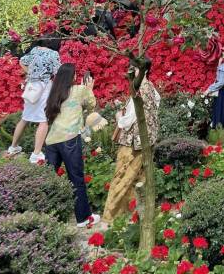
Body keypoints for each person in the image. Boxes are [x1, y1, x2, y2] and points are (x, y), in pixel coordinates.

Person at [102, 59, 161, 223]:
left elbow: (130, 119)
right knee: (139, 178)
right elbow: (156, 104)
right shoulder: (151, 88)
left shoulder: (139, 89)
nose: (131, 72)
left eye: (134, 69)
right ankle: (133, 213)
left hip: (132, 142)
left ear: (144, 70)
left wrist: (118, 118)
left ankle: (112, 215)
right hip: (146, 141)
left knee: (122, 177)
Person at [44, 64, 100, 227]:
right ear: (72, 76)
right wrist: (89, 89)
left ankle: (44, 215)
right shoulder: (80, 90)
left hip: (52, 140)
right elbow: (91, 105)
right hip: (70, 139)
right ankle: (83, 218)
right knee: (76, 178)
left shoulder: (55, 92)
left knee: (48, 179)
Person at [7, 36, 61, 163]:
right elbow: (58, 71)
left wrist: (30, 73)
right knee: (43, 120)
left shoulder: (35, 50)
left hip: (31, 87)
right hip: (44, 87)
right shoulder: (53, 54)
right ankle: (36, 153)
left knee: (25, 117)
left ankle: (13, 147)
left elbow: (22, 61)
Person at [203, 42, 224, 141]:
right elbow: (218, 79)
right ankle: (220, 141)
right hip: (222, 91)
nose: (223, 53)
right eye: (223, 51)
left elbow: (221, 82)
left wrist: (209, 89)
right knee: (220, 112)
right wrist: (219, 64)